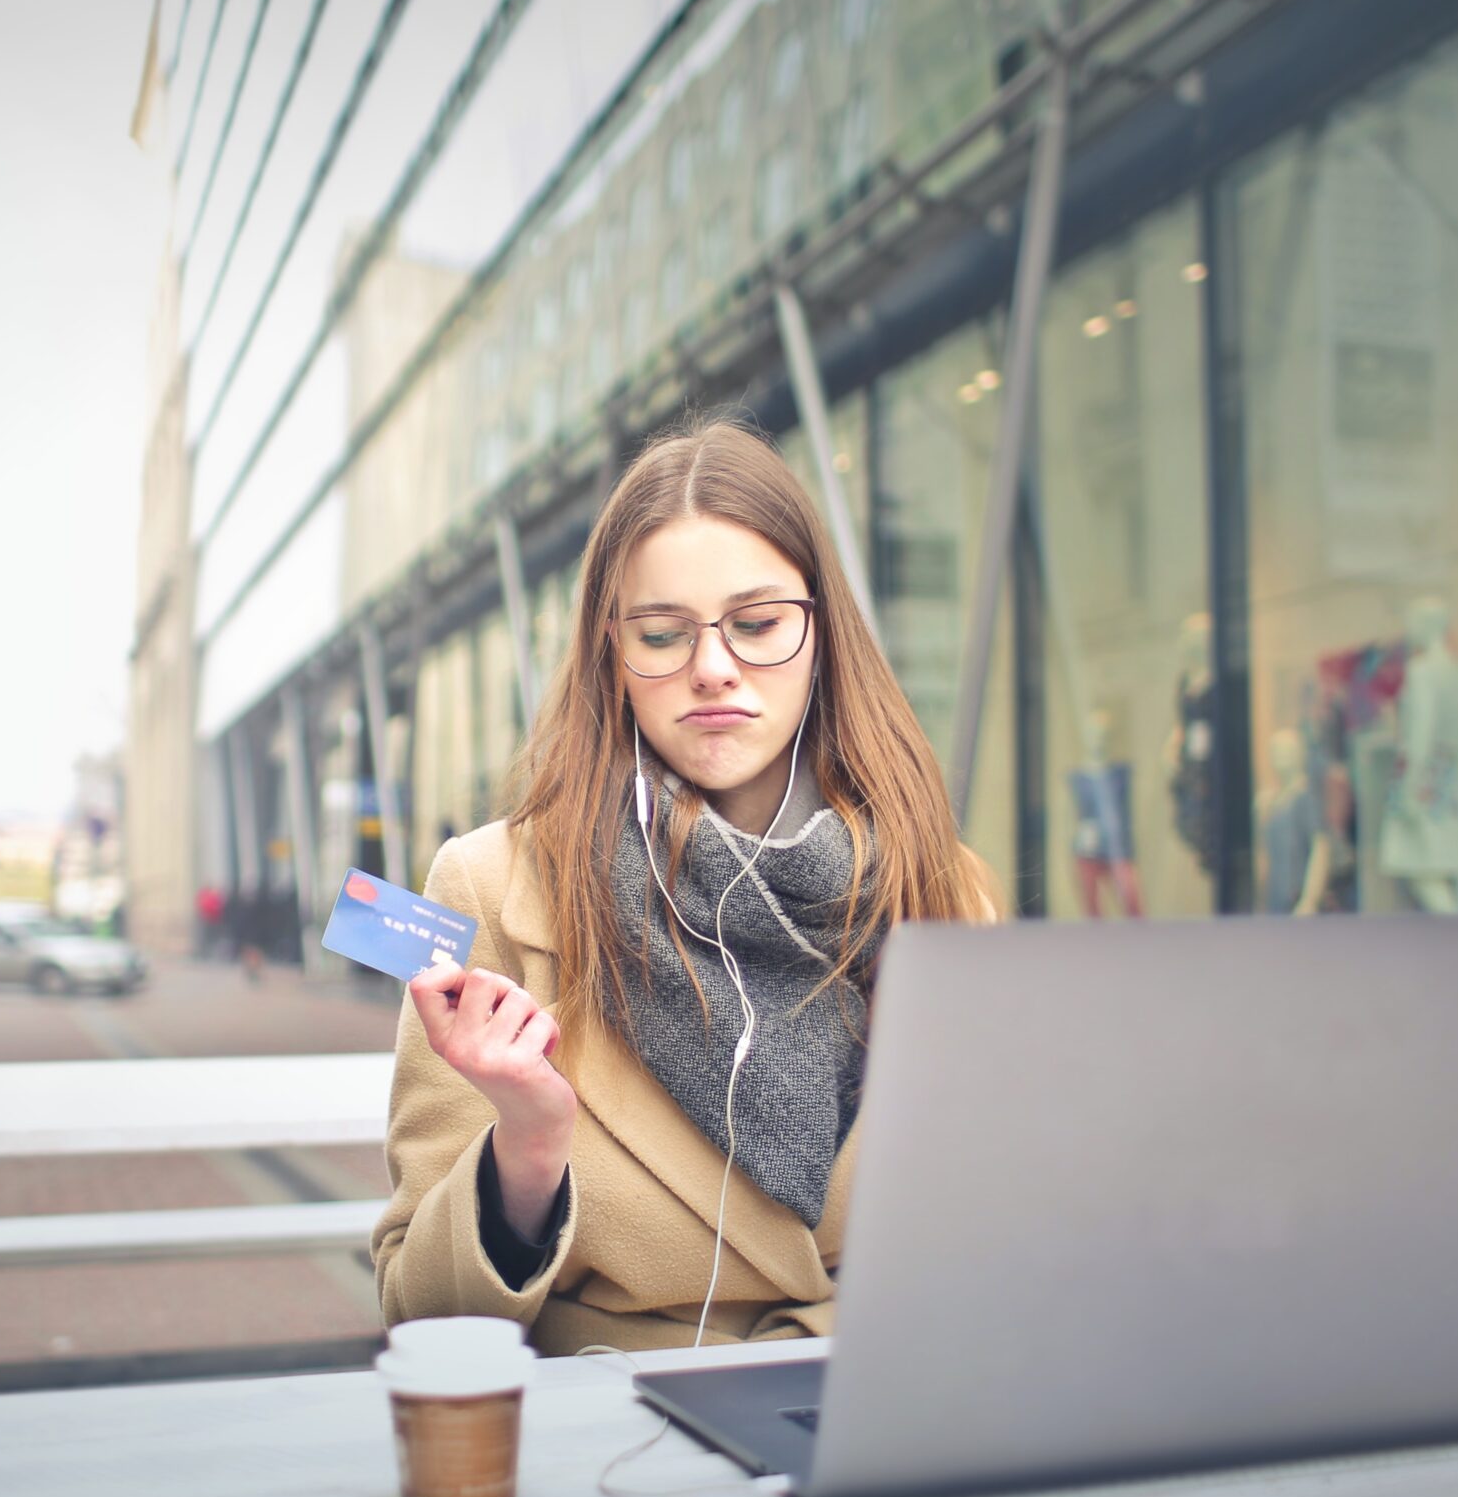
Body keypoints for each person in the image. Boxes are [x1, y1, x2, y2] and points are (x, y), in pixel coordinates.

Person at [373, 415, 999, 1355]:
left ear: (822, 635)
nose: (713, 668)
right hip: (621, 1439)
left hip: (888, 1404)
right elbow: (418, 1308)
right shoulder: (486, 884)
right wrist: (528, 1150)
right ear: (611, 657)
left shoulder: (944, 888)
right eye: (663, 634)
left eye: (757, 625)